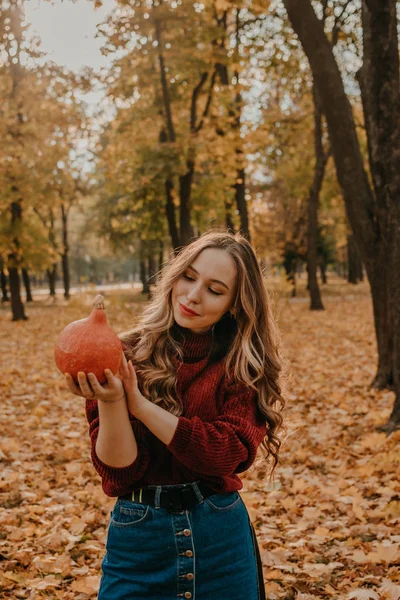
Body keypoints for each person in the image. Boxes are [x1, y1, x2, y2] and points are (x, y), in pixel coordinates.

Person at [65, 230, 286, 600]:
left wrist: (140, 406)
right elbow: (119, 475)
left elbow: (223, 455)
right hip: (138, 539)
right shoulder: (121, 354)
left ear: (235, 303)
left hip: (220, 539)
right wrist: (112, 401)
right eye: (188, 276)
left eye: (215, 290)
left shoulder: (242, 365)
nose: (193, 295)